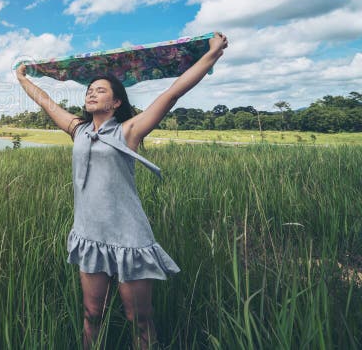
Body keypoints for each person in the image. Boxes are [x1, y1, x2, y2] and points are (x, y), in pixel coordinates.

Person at [15, 32, 228, 349]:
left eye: (100, 90)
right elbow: (46, 102)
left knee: (139, 318)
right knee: (92, 314)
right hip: (90, 236)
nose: (92, 93)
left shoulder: (129, 130)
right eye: (89, 90)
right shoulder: (78, 130)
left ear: (116, 102)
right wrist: (23, 78)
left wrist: (212, 54)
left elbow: (172, 94)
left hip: (129, 238)